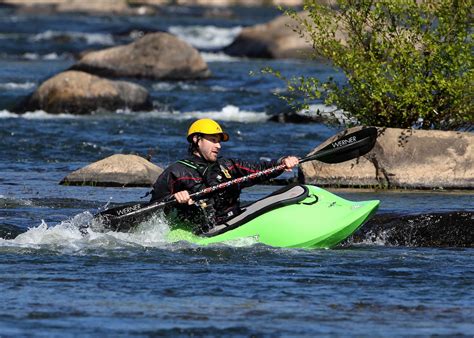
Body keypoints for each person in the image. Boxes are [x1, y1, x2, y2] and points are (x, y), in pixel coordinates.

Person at [150, 118, 299, 234]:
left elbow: (260, 170)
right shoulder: (176, 171)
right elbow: (155, 207)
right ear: (197, 139)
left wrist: (282, 162)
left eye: (219, 141)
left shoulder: (229, 165)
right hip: (201, 231)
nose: (218, 146)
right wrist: (174, 199)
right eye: (213, 140)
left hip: (234, 220)